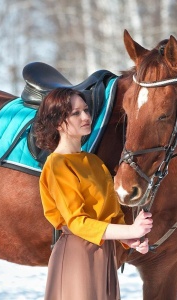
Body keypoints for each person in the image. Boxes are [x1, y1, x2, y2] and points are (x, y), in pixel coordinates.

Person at [33, 87, 153, 300]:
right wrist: (130, 231)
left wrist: (131, 238)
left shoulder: (94, 162)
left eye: (86, 110)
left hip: (105, 255)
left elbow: (112, 213)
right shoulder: (57, 165)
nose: (86, 116)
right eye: (76, 113)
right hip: (77, 255)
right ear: (58, 122)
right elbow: (78, 222)